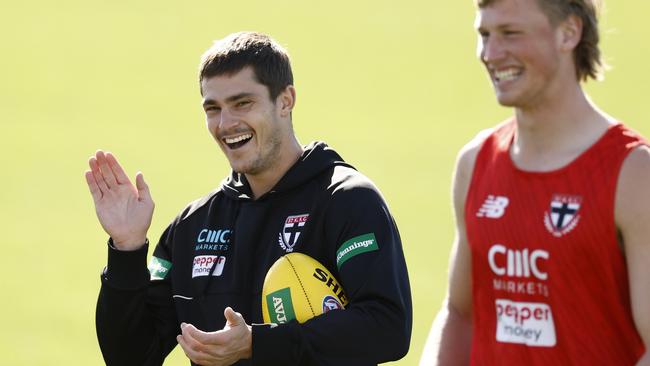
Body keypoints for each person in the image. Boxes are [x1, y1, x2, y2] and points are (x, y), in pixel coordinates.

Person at [85, 32, 412, 366]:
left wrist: (257, 343)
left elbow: (387, 328)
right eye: (213, 108)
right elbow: (129, 356)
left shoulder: (346, 200)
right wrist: (126, 249)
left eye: (243, 103)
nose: (226, 124)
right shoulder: (192, 227)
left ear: (285, 101)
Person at [420, 0, 650, 364]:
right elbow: (460, 314)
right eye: (484, 34)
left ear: (569, 32)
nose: (491, 54)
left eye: (510, 33)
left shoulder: (634, 173)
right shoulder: (476, 162)